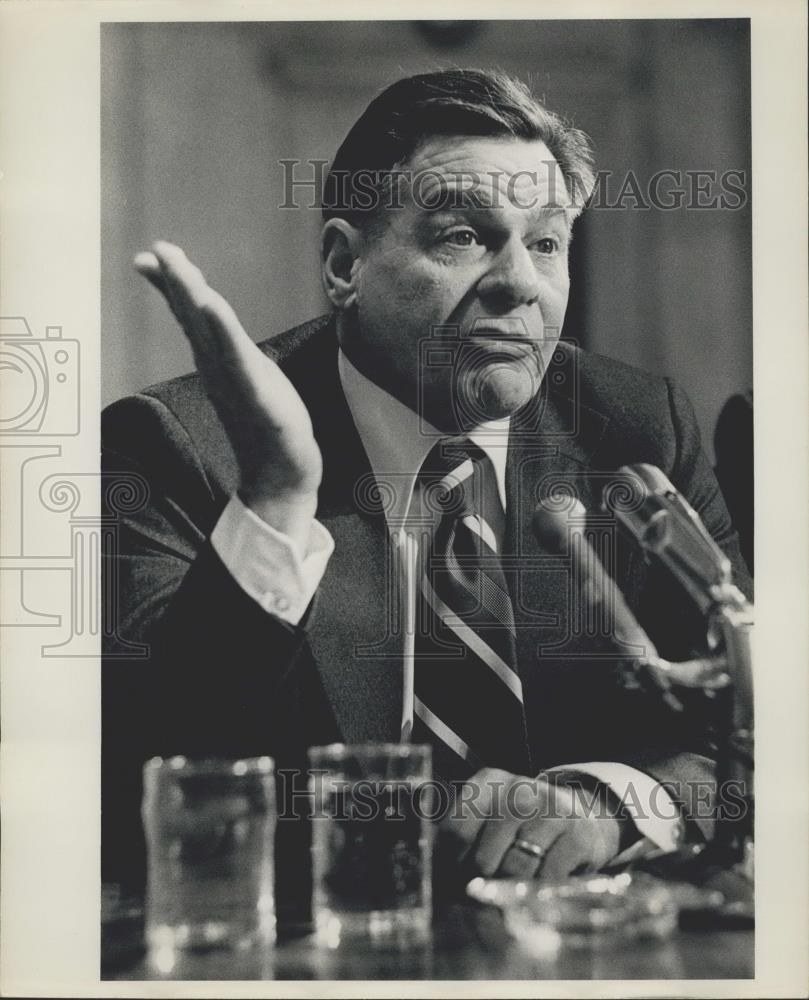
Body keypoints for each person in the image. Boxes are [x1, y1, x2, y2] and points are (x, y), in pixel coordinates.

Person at [102, 69, 752, 913]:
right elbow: (146, 777)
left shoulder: (636, 429)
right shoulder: (183, 445)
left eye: (546, 242)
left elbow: (747, 731)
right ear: (344, 263)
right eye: (461, 237)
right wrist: (277, 495)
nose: (520, 282)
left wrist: (604, 804)